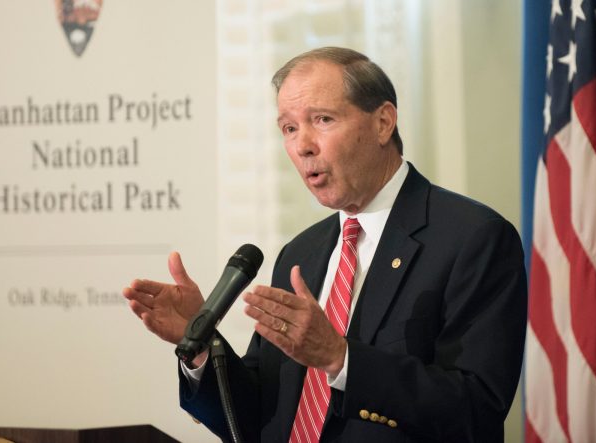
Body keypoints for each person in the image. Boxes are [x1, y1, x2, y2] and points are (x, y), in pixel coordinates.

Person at [123, 47, 527, 442]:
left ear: (383, 122)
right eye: (289, 128)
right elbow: (257, 420)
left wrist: (341, 358)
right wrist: (201, 344)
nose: (303, 146)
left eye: (322, 119)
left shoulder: (473, 238)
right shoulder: (301, 253)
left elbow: (477, 410)